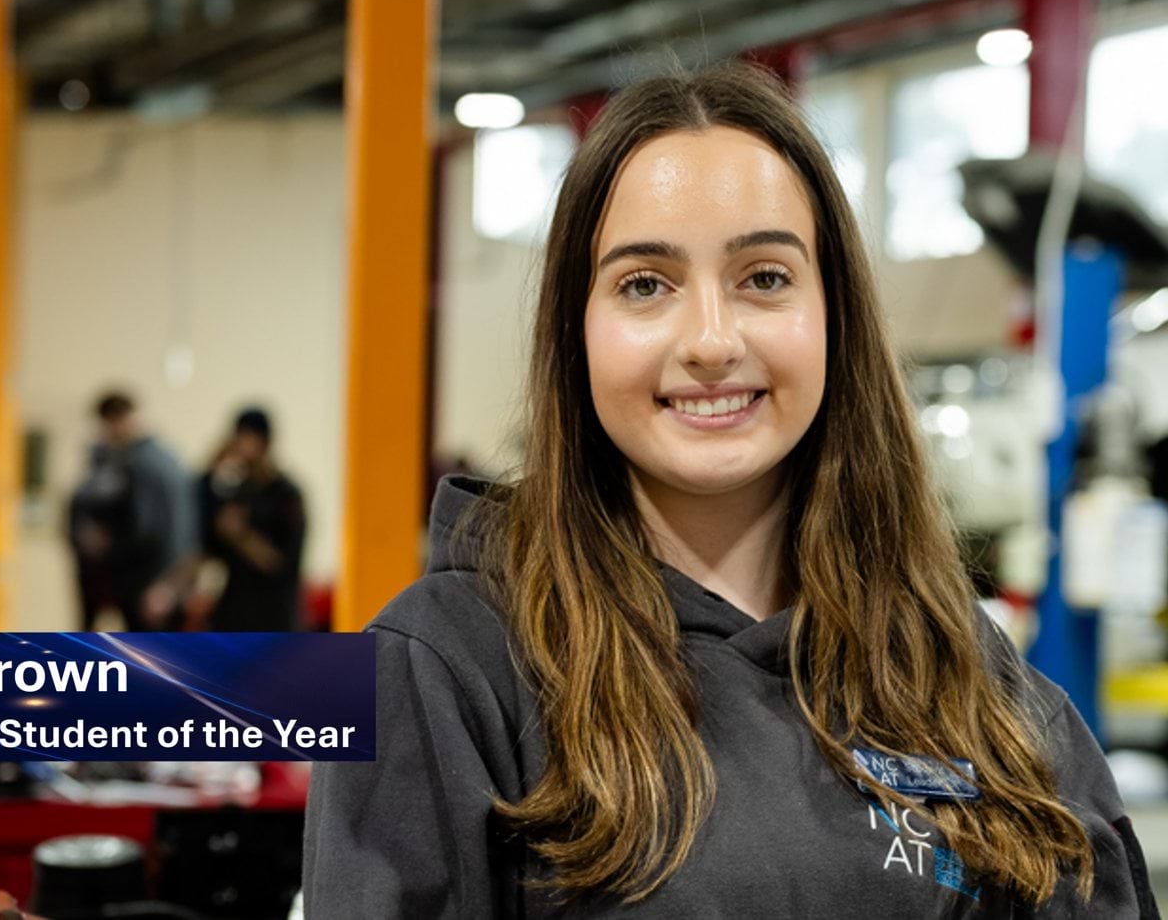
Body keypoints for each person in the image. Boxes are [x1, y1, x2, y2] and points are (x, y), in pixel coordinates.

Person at [303, 65, 1157, 917]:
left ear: (835, 317)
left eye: (764, 277)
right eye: (646, 285)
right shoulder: (444, 665)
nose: (711, 340)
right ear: (577, 333)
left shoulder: (957, 661)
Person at [67, 392, 196, 632]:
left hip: (149, 582)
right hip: (145, 581)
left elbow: (167, 529)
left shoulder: (147, 465)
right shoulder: (135, 460)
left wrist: (165, 586)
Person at [196, 407, 306, 632]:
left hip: (273, 617)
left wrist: (240, 535)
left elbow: (280, 564)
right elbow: (210, 547)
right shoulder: (237, 492)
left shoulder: (285, 495)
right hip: (233, 614)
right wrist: (213, 468)